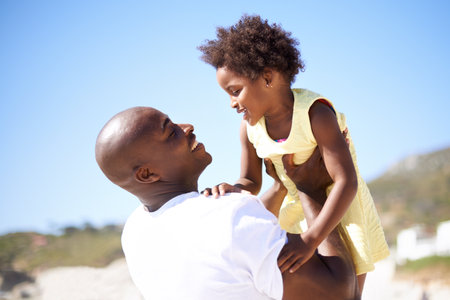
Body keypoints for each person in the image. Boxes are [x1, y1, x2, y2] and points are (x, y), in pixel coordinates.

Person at [198, 14, 389, 291]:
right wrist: (233, 188)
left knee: (349, 292)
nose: (231, 103)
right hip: (294, 214)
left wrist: (311, 239)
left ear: (267, 77)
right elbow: (251, 182)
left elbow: (346, 181)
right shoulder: (249, 129)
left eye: (235, 91)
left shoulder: (315, 114)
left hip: (340, 211)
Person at [95, 106, 359, 300]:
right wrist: (310, 189)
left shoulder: (135, 232)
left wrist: (280, 187)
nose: (187, 126)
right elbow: (337, 293)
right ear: (147, 174)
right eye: (171, 131)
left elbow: (229, 247)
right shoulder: (229, 216)